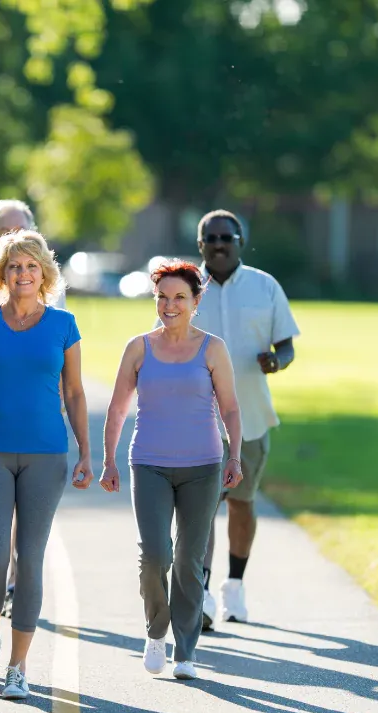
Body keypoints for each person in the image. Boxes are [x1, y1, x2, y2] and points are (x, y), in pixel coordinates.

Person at [0, 229, 92, 700]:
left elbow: (73, 392)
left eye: (31, 266)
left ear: (44, 273)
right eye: (13, 266)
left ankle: (19, 665)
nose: (23, 273)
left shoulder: (63, 324)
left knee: (29, 560)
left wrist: (87, 453)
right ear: (2, 274)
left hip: (46, 454)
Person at [100, 260, 243, 680]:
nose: (170, 304)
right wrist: (108, 459)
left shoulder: (213, 348)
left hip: (204, 466)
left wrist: (235, 457)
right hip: (149, 465)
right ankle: (155, 631)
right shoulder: (139, 347)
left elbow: (231, 408)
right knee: (156, 555)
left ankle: (186, 652)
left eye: (180, 297)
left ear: (196, 301)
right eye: (162, 296)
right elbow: (116, 408)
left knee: (189, 560)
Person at [187, 210, 300, 626]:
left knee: (241, 503)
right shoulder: (185, 288)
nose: (219, 244)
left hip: (250, 416)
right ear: (200, 244)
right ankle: (200, 594)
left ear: (240, 241)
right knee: (203, 506)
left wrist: (278, 361)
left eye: (227, 237)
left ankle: (233, 586)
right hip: (199, 420)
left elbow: (286, 344)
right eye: (211, 238)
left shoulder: (264, 286)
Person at [0, 199, 65, 620]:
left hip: (40, 440)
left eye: (25, 230)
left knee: (28, 545)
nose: (18, 243)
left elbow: (65, 374)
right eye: (7, 233)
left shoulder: (57, 310)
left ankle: (17, 594)